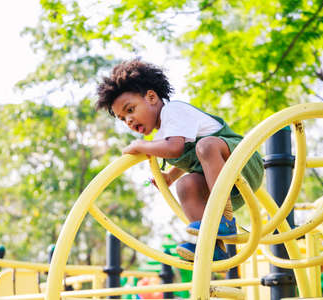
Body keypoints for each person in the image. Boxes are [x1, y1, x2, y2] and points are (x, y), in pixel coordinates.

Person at [95, 58, 264, 261]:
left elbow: (176, 148)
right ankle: (211, 246)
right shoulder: (162, 137)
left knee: (206, 146)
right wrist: (171, 177)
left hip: (244, 163)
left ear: (151, 97)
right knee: (185, 185)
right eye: (123, 118)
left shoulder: (172, 111)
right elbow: (188, 158)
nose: (128, 120)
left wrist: (141, 145)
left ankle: (224, 221)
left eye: (130, 110)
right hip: (229, 187)